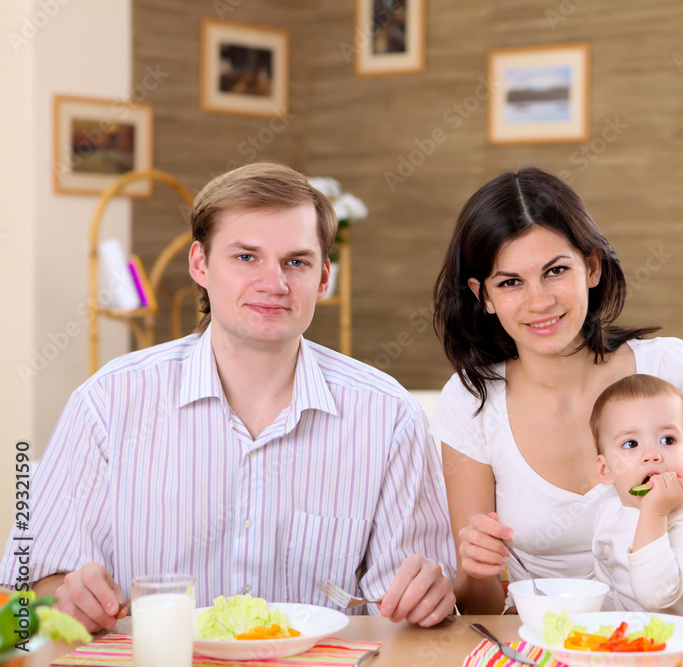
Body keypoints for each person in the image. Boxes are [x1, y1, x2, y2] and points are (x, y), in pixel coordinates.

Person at [0, 162, 456, 632]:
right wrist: (60, 598)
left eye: (296, 262)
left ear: (324, 279)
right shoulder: (107, 403)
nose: (274, 283)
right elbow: (24, 589)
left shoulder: (389, 416)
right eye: (246, 257)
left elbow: (401, 614)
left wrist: (429, 601)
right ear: (200, 264)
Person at [430, 167, 683, 623]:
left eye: (556, 271)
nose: (540, 301)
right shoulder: (471, 400)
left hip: (676, 636)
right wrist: (475, 571)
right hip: (547, 643)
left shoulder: (669, 368)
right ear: (482, 295)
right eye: (510, 282)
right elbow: (481, 607)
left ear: (591, 266)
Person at [590, 374, 683, 613]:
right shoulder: (609, 514)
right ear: (606, 470)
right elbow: (609, 588)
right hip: (641, 642)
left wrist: (654, 513)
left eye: (667, 439)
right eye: (631, 444)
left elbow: (656, 596)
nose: (652, 454)